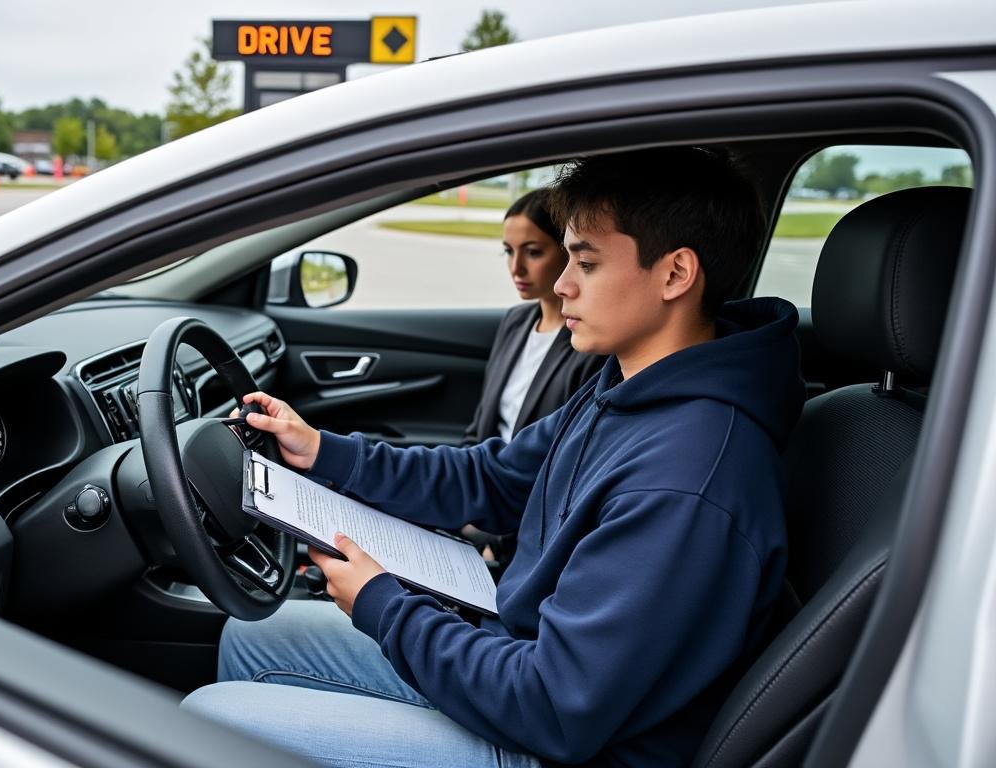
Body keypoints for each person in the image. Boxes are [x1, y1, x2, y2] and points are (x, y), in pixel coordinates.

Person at [182, 147, 805, 767]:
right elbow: (495, 477)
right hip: (512, 661)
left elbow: (554, 707)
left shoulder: (689, 480)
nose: (561, 286)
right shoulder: (631, 382)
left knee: (206, 722)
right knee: (254, 636)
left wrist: (383, 603)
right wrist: (321, 452)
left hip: (560, 746)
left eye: (585, 263)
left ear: (674, 274)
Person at [464, 188, 605, 446]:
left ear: (568, 250)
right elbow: (479, 429)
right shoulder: (515, 321)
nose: (515, 267)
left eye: (533, 252)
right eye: (508, 251)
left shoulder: (591, 340)